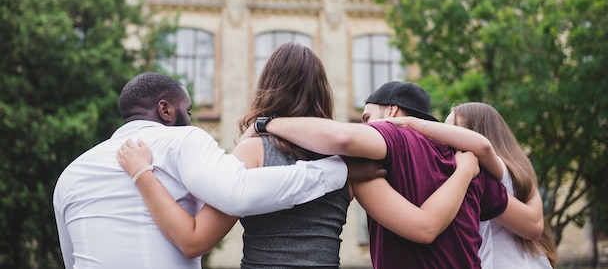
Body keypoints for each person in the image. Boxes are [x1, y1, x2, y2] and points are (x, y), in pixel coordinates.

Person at [117, 45, 480, 267]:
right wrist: (464, 171)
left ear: (266, 88)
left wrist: (142, 174)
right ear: (322, 94)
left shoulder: (252, 149)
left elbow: (194, 240)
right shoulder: (351, 165)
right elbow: (421, 226)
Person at [53, 71, 353, 269]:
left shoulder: (71, 174)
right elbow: (238, 192)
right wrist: (337, 171)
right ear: (166, 110)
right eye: (189, 110)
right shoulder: (183, 140)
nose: (192, 120)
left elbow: (72, 259)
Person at [247, 81, 545, 268]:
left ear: (391, 113)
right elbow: (531, 224)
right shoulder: (468, 160)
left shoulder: (384, 145)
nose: (364, 125)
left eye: (367, 118)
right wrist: (466, 171)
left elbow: (342, 139)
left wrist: (265, 124)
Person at [427, 102, 558, 268]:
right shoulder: (513, 172)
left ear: (476, 134)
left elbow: (483, 147)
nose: (445, 144)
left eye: (452, 133)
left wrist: (412, 123)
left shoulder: (501, 171)